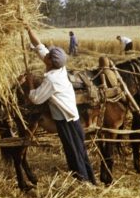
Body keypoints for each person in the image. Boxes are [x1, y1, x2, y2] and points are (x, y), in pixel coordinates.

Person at [22, 26, 96, 184]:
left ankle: (83, 184)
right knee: (81, 152)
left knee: (74, 154)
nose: (45, 55)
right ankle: (92, 181)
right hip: (73, 120)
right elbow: (39, 46)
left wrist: (30, 83)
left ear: (49, 62)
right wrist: (28, 29)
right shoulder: (59, 68)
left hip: (66, 122)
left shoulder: (52, 80)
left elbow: (35, 98)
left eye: (47, 55)